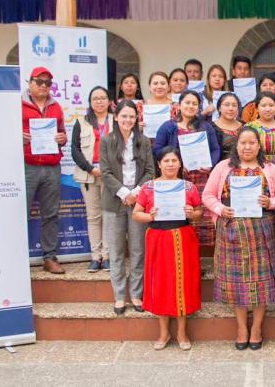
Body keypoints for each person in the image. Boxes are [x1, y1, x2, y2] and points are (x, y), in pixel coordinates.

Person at [202, 126, 275, 350]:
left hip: (263, 233)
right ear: (236, 145)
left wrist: (272, 203)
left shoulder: (270, 168)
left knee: (261, 284)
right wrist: (220, 209)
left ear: (259, 145)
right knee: (237, 284)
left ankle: (257, 328)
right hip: (231, 232)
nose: (247, 147)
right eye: (243, 143)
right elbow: (208, 195)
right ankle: (241, 328)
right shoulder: (223, 167)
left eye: (251, 143)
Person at [133, 146, 202, 351]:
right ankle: (164, 332)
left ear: (180, 164)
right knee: (160, 283)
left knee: (183, 283)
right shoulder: (148, 187)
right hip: (157, 238)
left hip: (182, 237)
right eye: (166, 161)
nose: (170, 164)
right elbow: (137, 214)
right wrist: (150, 216)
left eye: (174, 161)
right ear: (159, 164)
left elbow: (199, 212)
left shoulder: (189, 187)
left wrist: (192, 213)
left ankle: (182, 332)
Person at [100, 100, 155, 315]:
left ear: (137, 119)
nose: (128, 120)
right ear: (116, 117)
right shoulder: (107, 141)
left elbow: (150, 171)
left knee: (138, 250)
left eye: (131, 116)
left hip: (138, 202)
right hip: (114, 203)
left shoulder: (144, 141)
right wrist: (124, 193)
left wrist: (136, 193)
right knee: (116, 251)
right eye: (124, 116)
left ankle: (136, 294)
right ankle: (120, 296)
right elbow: (105, 172)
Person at [153, 91, 221, 246]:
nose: (190, 106)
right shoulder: (168, 126)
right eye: (187, 102)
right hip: (177, 179)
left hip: (202, 179)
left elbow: (215, 149)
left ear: (199, 107)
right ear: (179, 105)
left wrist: (210, 165)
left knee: (203, 216)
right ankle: (183, 254)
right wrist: (175, 165)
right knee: (182, 215)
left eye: (194, 104)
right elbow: (157, 149)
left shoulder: (206, 126)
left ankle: (203, 255)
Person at [22, 66, 68, 274]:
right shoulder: (17, 105)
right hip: (27, 165)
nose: (43, 86)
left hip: (51, 167)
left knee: (51, 214)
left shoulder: (56, 107)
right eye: (39, 82)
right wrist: (18, 136)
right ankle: (16, 258)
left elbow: (62, 134)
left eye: (47, 83)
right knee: (20, 213)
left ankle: (49, 257)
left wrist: (62, 138)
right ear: (29, 83)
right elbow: (1, 131)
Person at [71, 86, 114, 272]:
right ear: (90, 102)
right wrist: (90, 169)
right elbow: (75, 149)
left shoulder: (117, 119)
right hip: (89, 175)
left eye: (102, 97)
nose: (99, 101)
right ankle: (95, 256)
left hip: (111, 176)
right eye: (95, 98)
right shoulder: (81, 122)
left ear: (109, 101)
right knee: (94, 217)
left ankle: (107, 256)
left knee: (109, 216)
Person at [246, 92, 275, 178]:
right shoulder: (249, 128)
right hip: (257, 171)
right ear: (257, 107)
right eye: (263, 106)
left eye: (271, 105)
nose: (268, 109)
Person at [212, 93, 243, 161]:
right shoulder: (211, 128)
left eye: (234, 105)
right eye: (227, 105)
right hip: (220, 169)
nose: (231, 108)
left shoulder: (245, 126)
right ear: (219, 108)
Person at [143, 71, 171, 139]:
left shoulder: (176, 106)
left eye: (163, 83)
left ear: (168, 87)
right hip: (145, 145)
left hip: (169, 146)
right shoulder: (141, 105)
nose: (159, 86)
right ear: (149, 87)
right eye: (155, 83)